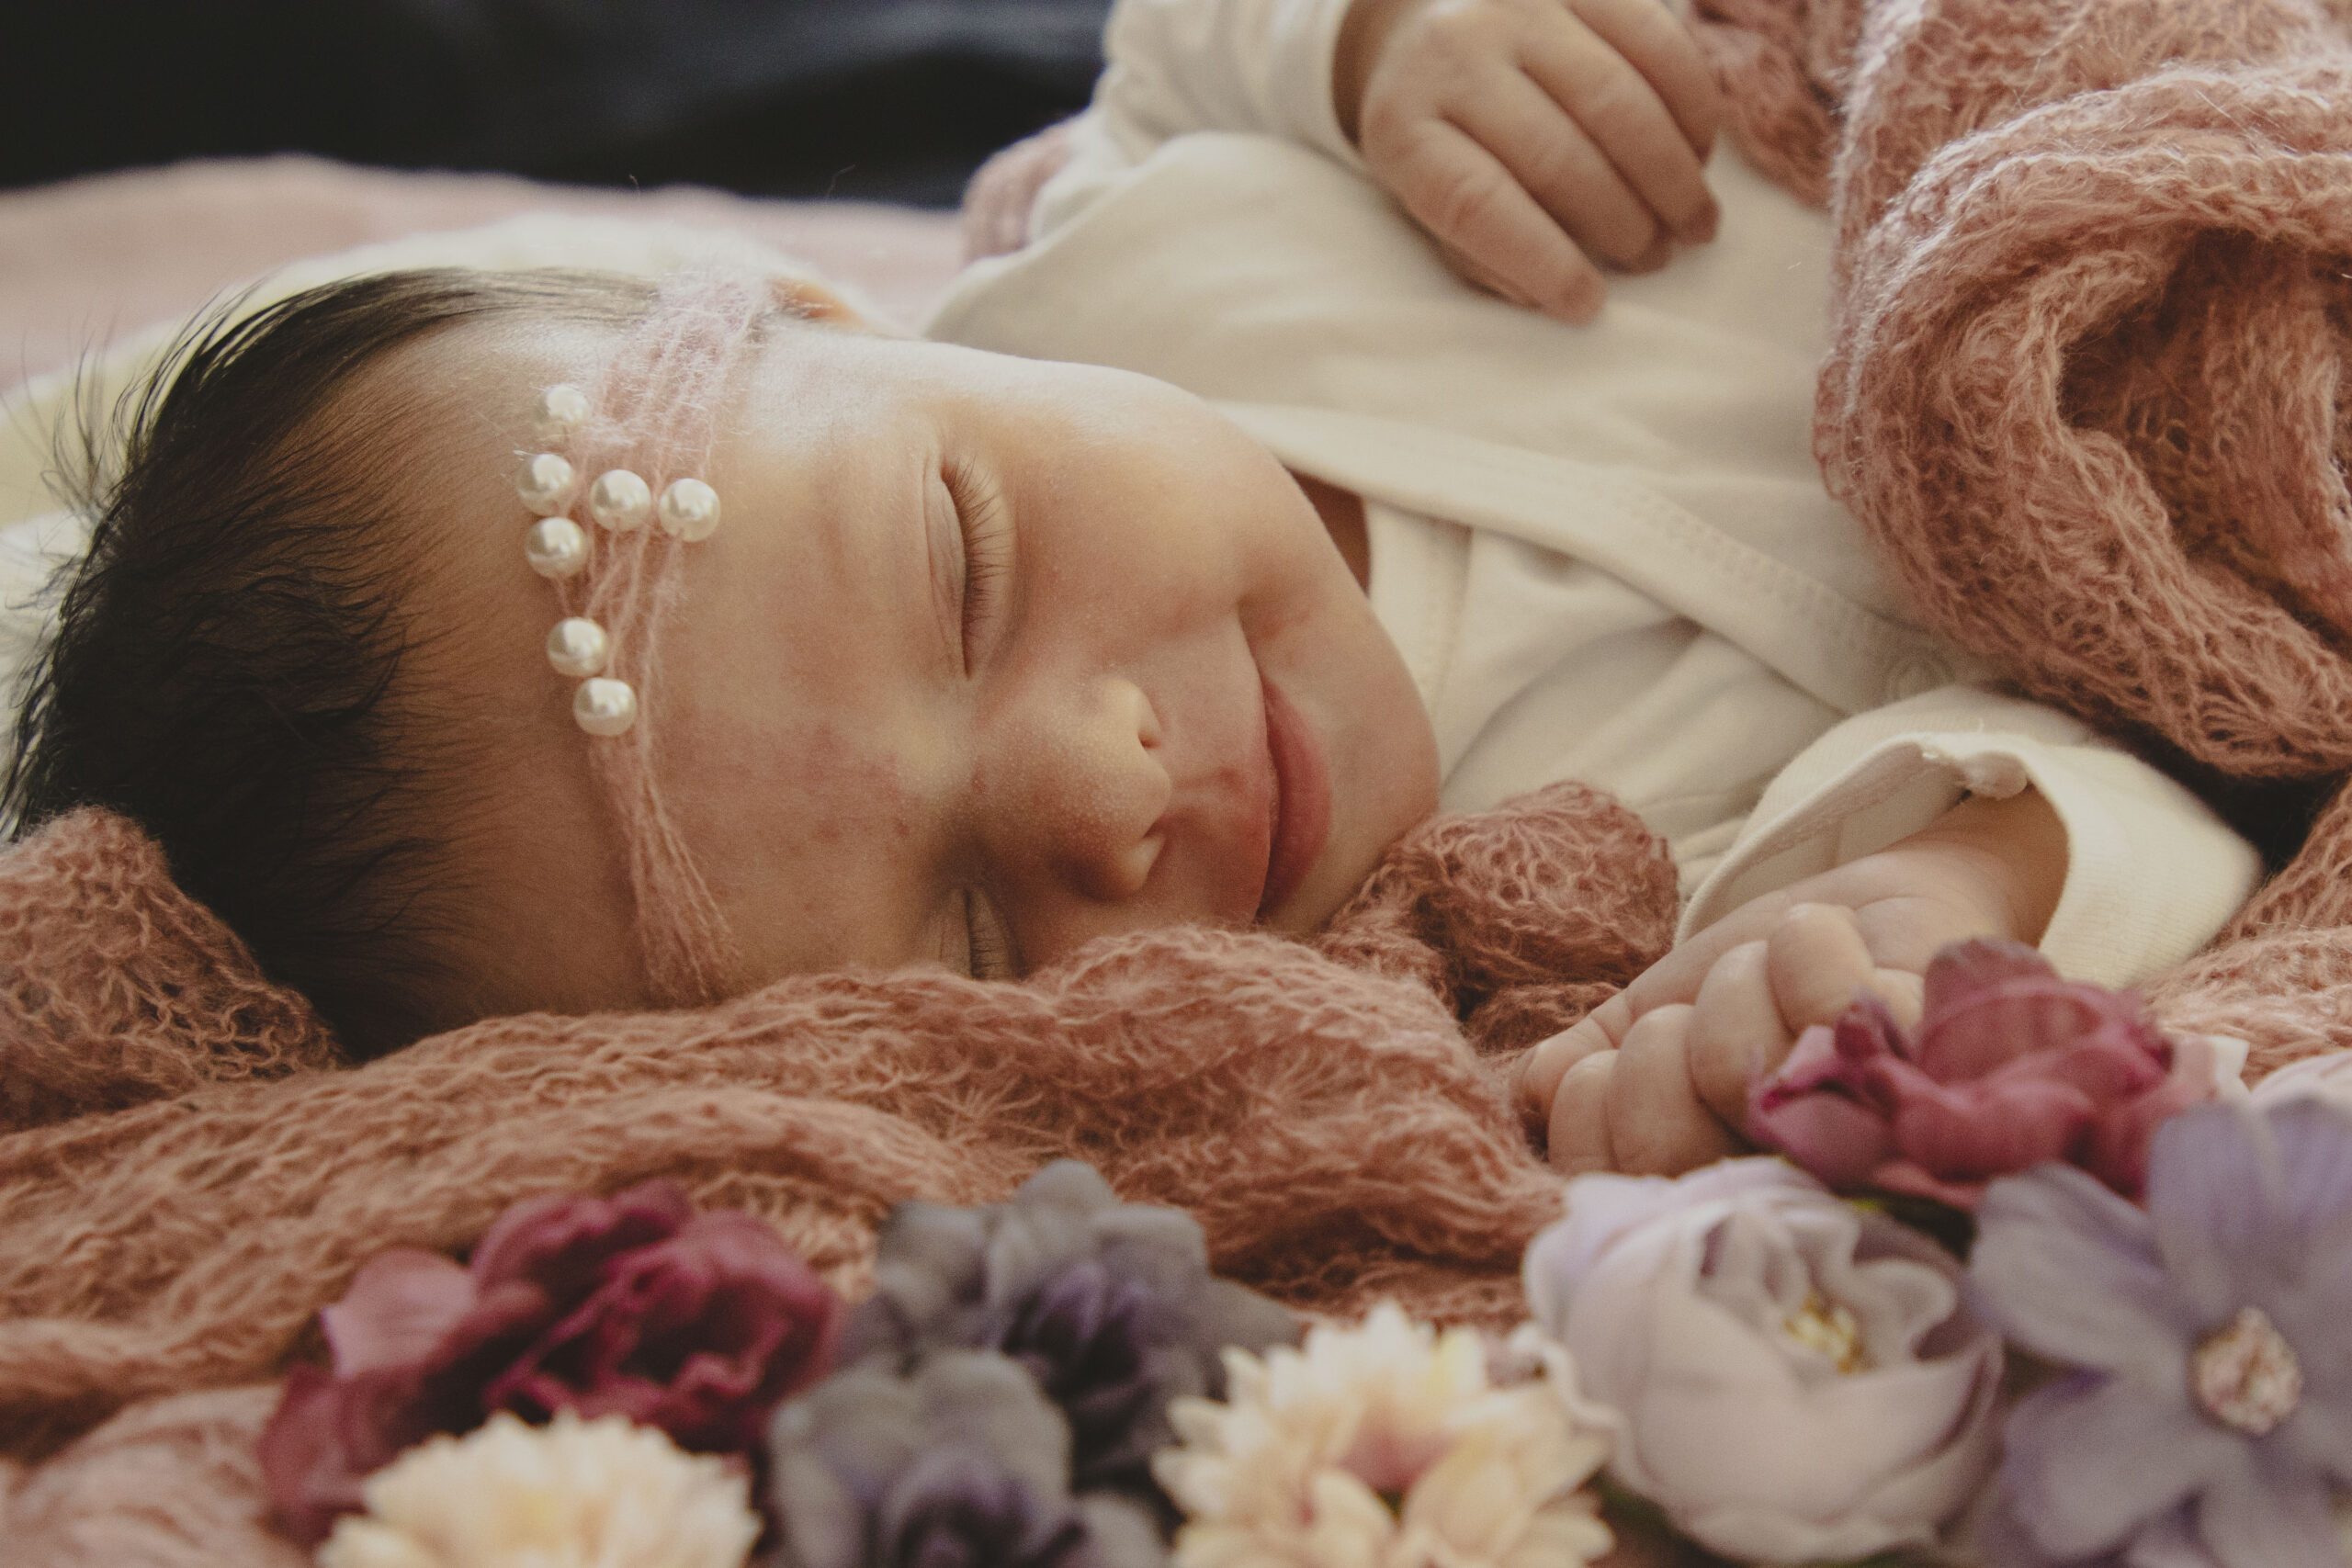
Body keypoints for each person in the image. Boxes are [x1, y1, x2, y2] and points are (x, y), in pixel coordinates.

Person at [0, 0, 2256, 1180]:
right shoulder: (1525, 916)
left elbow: (1173, 44)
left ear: (843, 316)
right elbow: (2161, 775)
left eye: (959, 569)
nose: (1098, 791)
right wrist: (1952, 882)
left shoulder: (1132, 255)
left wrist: (1378, 39)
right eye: (973, 930)